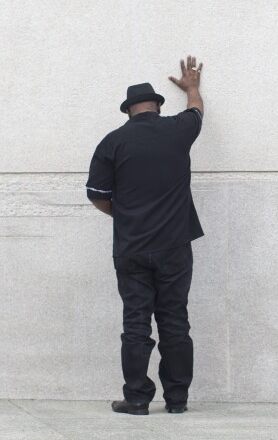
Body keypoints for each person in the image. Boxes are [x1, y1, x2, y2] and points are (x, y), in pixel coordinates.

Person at [85, 55, 205, 416]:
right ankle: (178, 400)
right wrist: (193, 88)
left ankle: (137, 399)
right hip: (174, 247)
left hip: (132, 248)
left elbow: (96, 195)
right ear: (156, 106)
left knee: (136, 323)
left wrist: (125, 217)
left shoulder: (112, 142)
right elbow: (197, 112)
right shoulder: (179, 129)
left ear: (128, 112)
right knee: (175, 321)